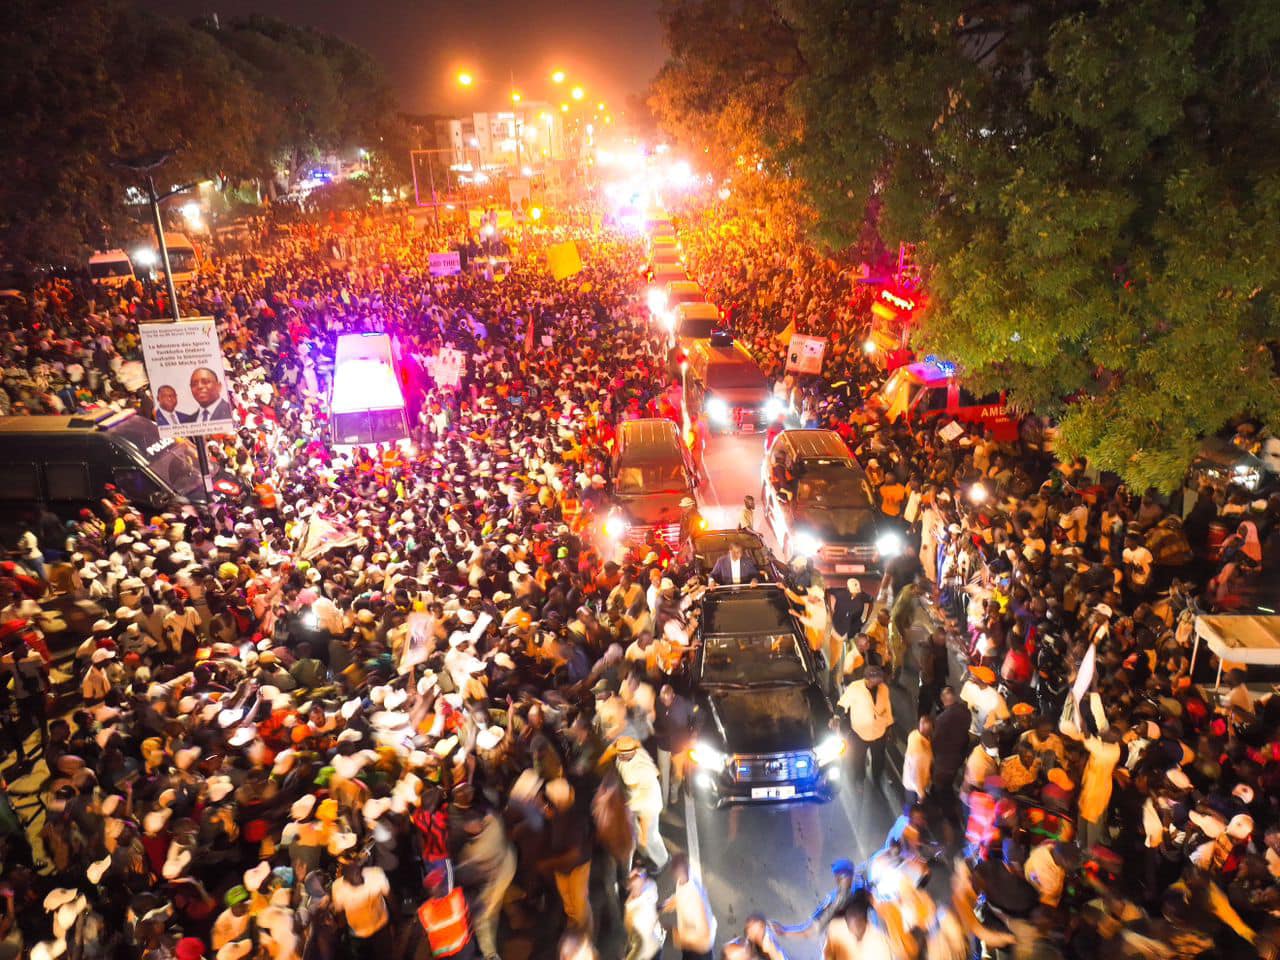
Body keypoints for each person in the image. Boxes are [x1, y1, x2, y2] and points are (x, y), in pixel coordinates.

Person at [612, 736, 668, 871]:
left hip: (647, 806)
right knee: (641, 834)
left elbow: (645, 804)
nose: (620, 755)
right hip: (637, 803)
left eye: (623, 753)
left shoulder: (638, 769)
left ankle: (661, 861)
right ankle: (646, 853)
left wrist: (627, 806)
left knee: (650, 836)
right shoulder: (630, 756)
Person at [837, 665, 893, 784]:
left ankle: (877, 776)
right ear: (868, 679)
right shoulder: (855, 688)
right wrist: (836, 716)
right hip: (859, 734)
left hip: (879, 733)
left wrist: (889, 726)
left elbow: (887, 708)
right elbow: (843, 703)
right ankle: (859, 778)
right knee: (858, 759)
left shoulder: (884, 688)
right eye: (878, 678)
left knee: (879, 758)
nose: (881, 681)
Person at [662, 853, 716, 960]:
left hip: (699, 949)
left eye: (678, 873)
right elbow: (681, 895)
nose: (677, 876)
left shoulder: (695, 899)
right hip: (689, 944)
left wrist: (675, 934)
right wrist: (671, 902)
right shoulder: (685, 880)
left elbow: (703, 935)